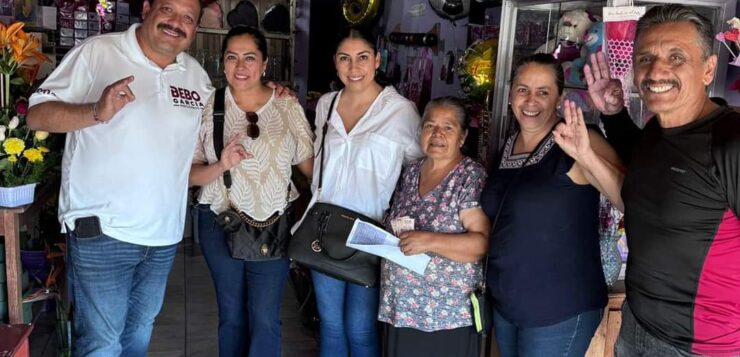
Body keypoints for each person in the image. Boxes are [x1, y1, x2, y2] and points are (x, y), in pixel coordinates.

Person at [26, 0, 207, 354]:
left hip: (163, 235)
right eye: (168, 10)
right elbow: (37, 116)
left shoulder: (196, 76)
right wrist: (96, 111)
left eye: (188, 17)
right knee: (102, 345)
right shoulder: (98, 52)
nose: (176, 23)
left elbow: (186, 157)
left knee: (139, 332)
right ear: (147, 8)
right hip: (102, 231)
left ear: (196, 29)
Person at [584, 4, 740, 356]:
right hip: (636, 325)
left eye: (676, 57)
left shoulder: (731, 142)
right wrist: (614, 112)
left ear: (708, 69)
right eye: (645, 58)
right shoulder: (659, 128)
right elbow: (646, 166)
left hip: (700, 348)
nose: (656, 71)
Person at [479, 53, 623, 356]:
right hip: (508, 304)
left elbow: (626, 198)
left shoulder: (579, 138)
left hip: (559, 308)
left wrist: (587, 157)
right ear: (510, 95)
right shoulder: (508, 144)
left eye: (543, 92)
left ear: (559, 98)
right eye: (523, 89)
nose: (531, 100)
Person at [188, 26, 314, 357]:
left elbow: (309, 168)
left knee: (266, 318)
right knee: (232, 316)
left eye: (249, 57)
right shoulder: (208, 105)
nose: (240, 66)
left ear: (265, 63)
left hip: (274, 224)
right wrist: (221, 165)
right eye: (232, 57)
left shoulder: (287, 107)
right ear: (222, 62)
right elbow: (189, 175)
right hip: (219, 220)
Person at [298, 26, 423, 357]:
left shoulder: (401, 111)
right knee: (331, 325)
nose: (354, 68)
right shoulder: (327, 103)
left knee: (361, 327)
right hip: (324, 227)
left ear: (377, 60)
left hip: (371, 230)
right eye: (345, 58)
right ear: (335, 63)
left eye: (363, 57)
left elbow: (418, 172)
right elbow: (318, 159)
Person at [379, 97, 490, 357]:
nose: (437, 134)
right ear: (420, 132)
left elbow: (480, 244)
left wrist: (428, 241)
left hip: (446, 314)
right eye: (430, 126)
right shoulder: (411, 172)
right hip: (402, 307)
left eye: (448, 127)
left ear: (462, 137)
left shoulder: (470, 176)